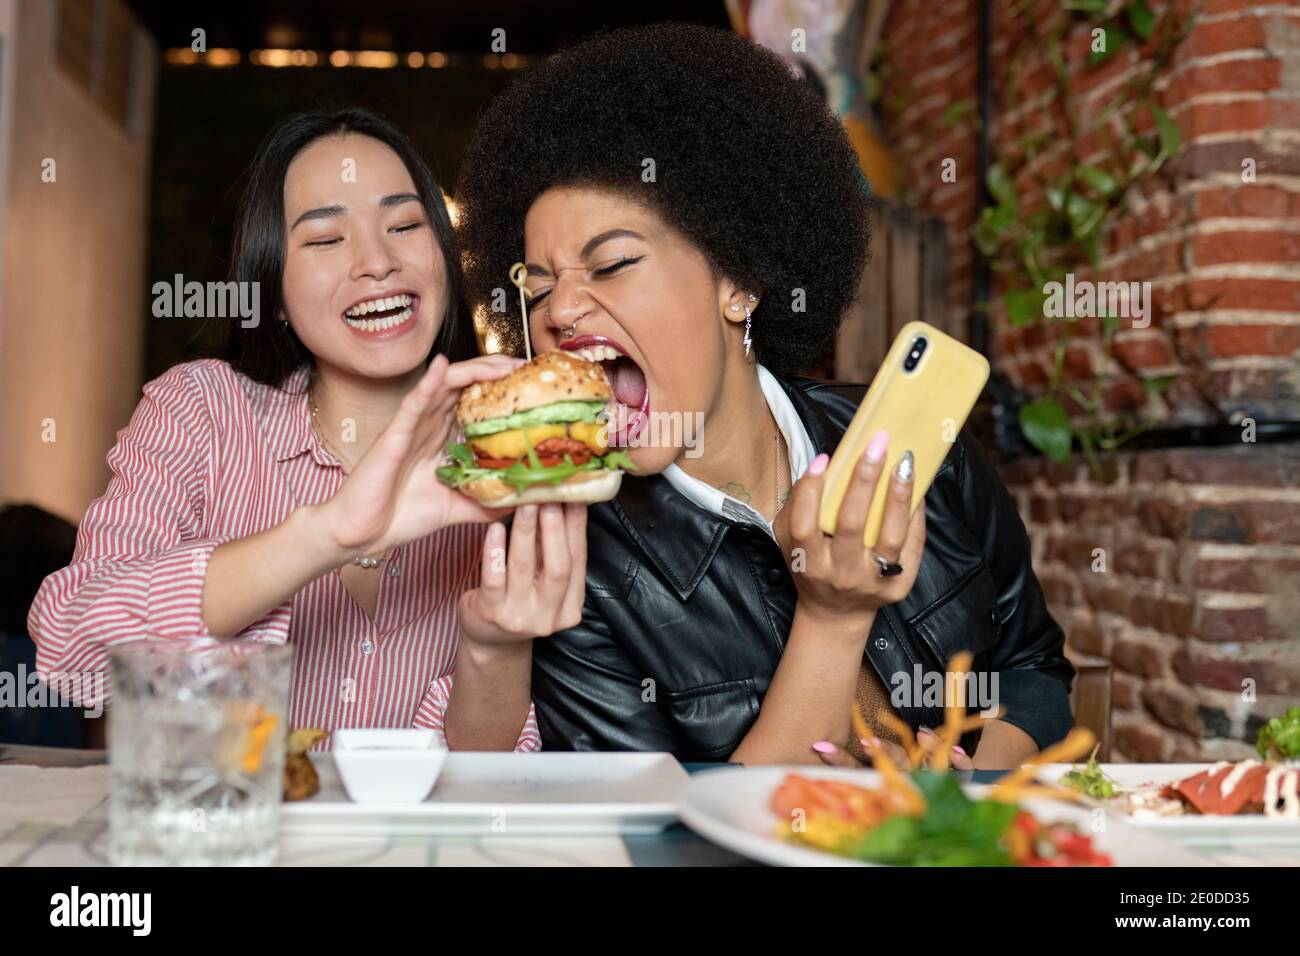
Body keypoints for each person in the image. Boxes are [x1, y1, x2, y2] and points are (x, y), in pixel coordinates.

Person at [447, 24, 1075, 768]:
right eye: (540, 287)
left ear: (738, 283)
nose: (559, 311)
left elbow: (1035, 672)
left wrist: (959, 795)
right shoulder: (572, 562)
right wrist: (832, 616)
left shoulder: (919, 445)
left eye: (611, 264)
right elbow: (673, 833)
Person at [28, 110, 584, 748]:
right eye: (325, 239)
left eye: (405, 225)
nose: (377, 261)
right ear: (277, 292)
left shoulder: (509, 452)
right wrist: (327, 535)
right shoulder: (202, 411)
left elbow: (478, 784)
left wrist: (496, 647)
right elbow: (75, 644)